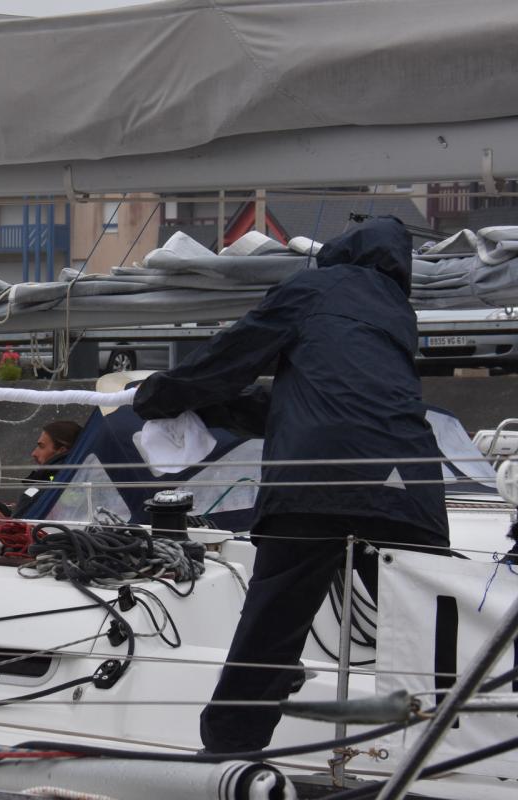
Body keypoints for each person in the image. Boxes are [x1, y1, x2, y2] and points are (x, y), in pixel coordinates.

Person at [131, 217, 449, 754]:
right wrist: (214, 407)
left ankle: (232, 752)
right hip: (407, 486)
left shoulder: (314, 287)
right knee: (432, 623)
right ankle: (452, 746)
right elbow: (316, 402)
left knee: (273, 625)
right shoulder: (398, 312)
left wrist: (161, 395)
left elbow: (233, 354)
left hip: (314, 484)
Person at [0, 420, 82, 519]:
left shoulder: (62, 487)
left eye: (41, 446)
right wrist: (1, 520)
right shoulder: (54, 481)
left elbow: (40, 530)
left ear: (61, 451)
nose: (34, 453)